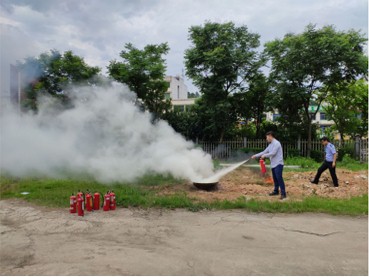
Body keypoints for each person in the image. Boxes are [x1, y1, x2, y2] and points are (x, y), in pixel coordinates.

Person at [252, 131, 286, 199]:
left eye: (267, 137)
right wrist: (256, 155)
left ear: (270, 136)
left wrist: (264, 156)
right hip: (273, 164)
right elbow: (264, 151)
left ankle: (283, 193)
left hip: (278, 164)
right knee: (275, 179)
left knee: (279, 178)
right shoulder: (270, 144)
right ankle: (276, 191)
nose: (266, 139)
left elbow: (273, 153)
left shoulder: (277, 143)